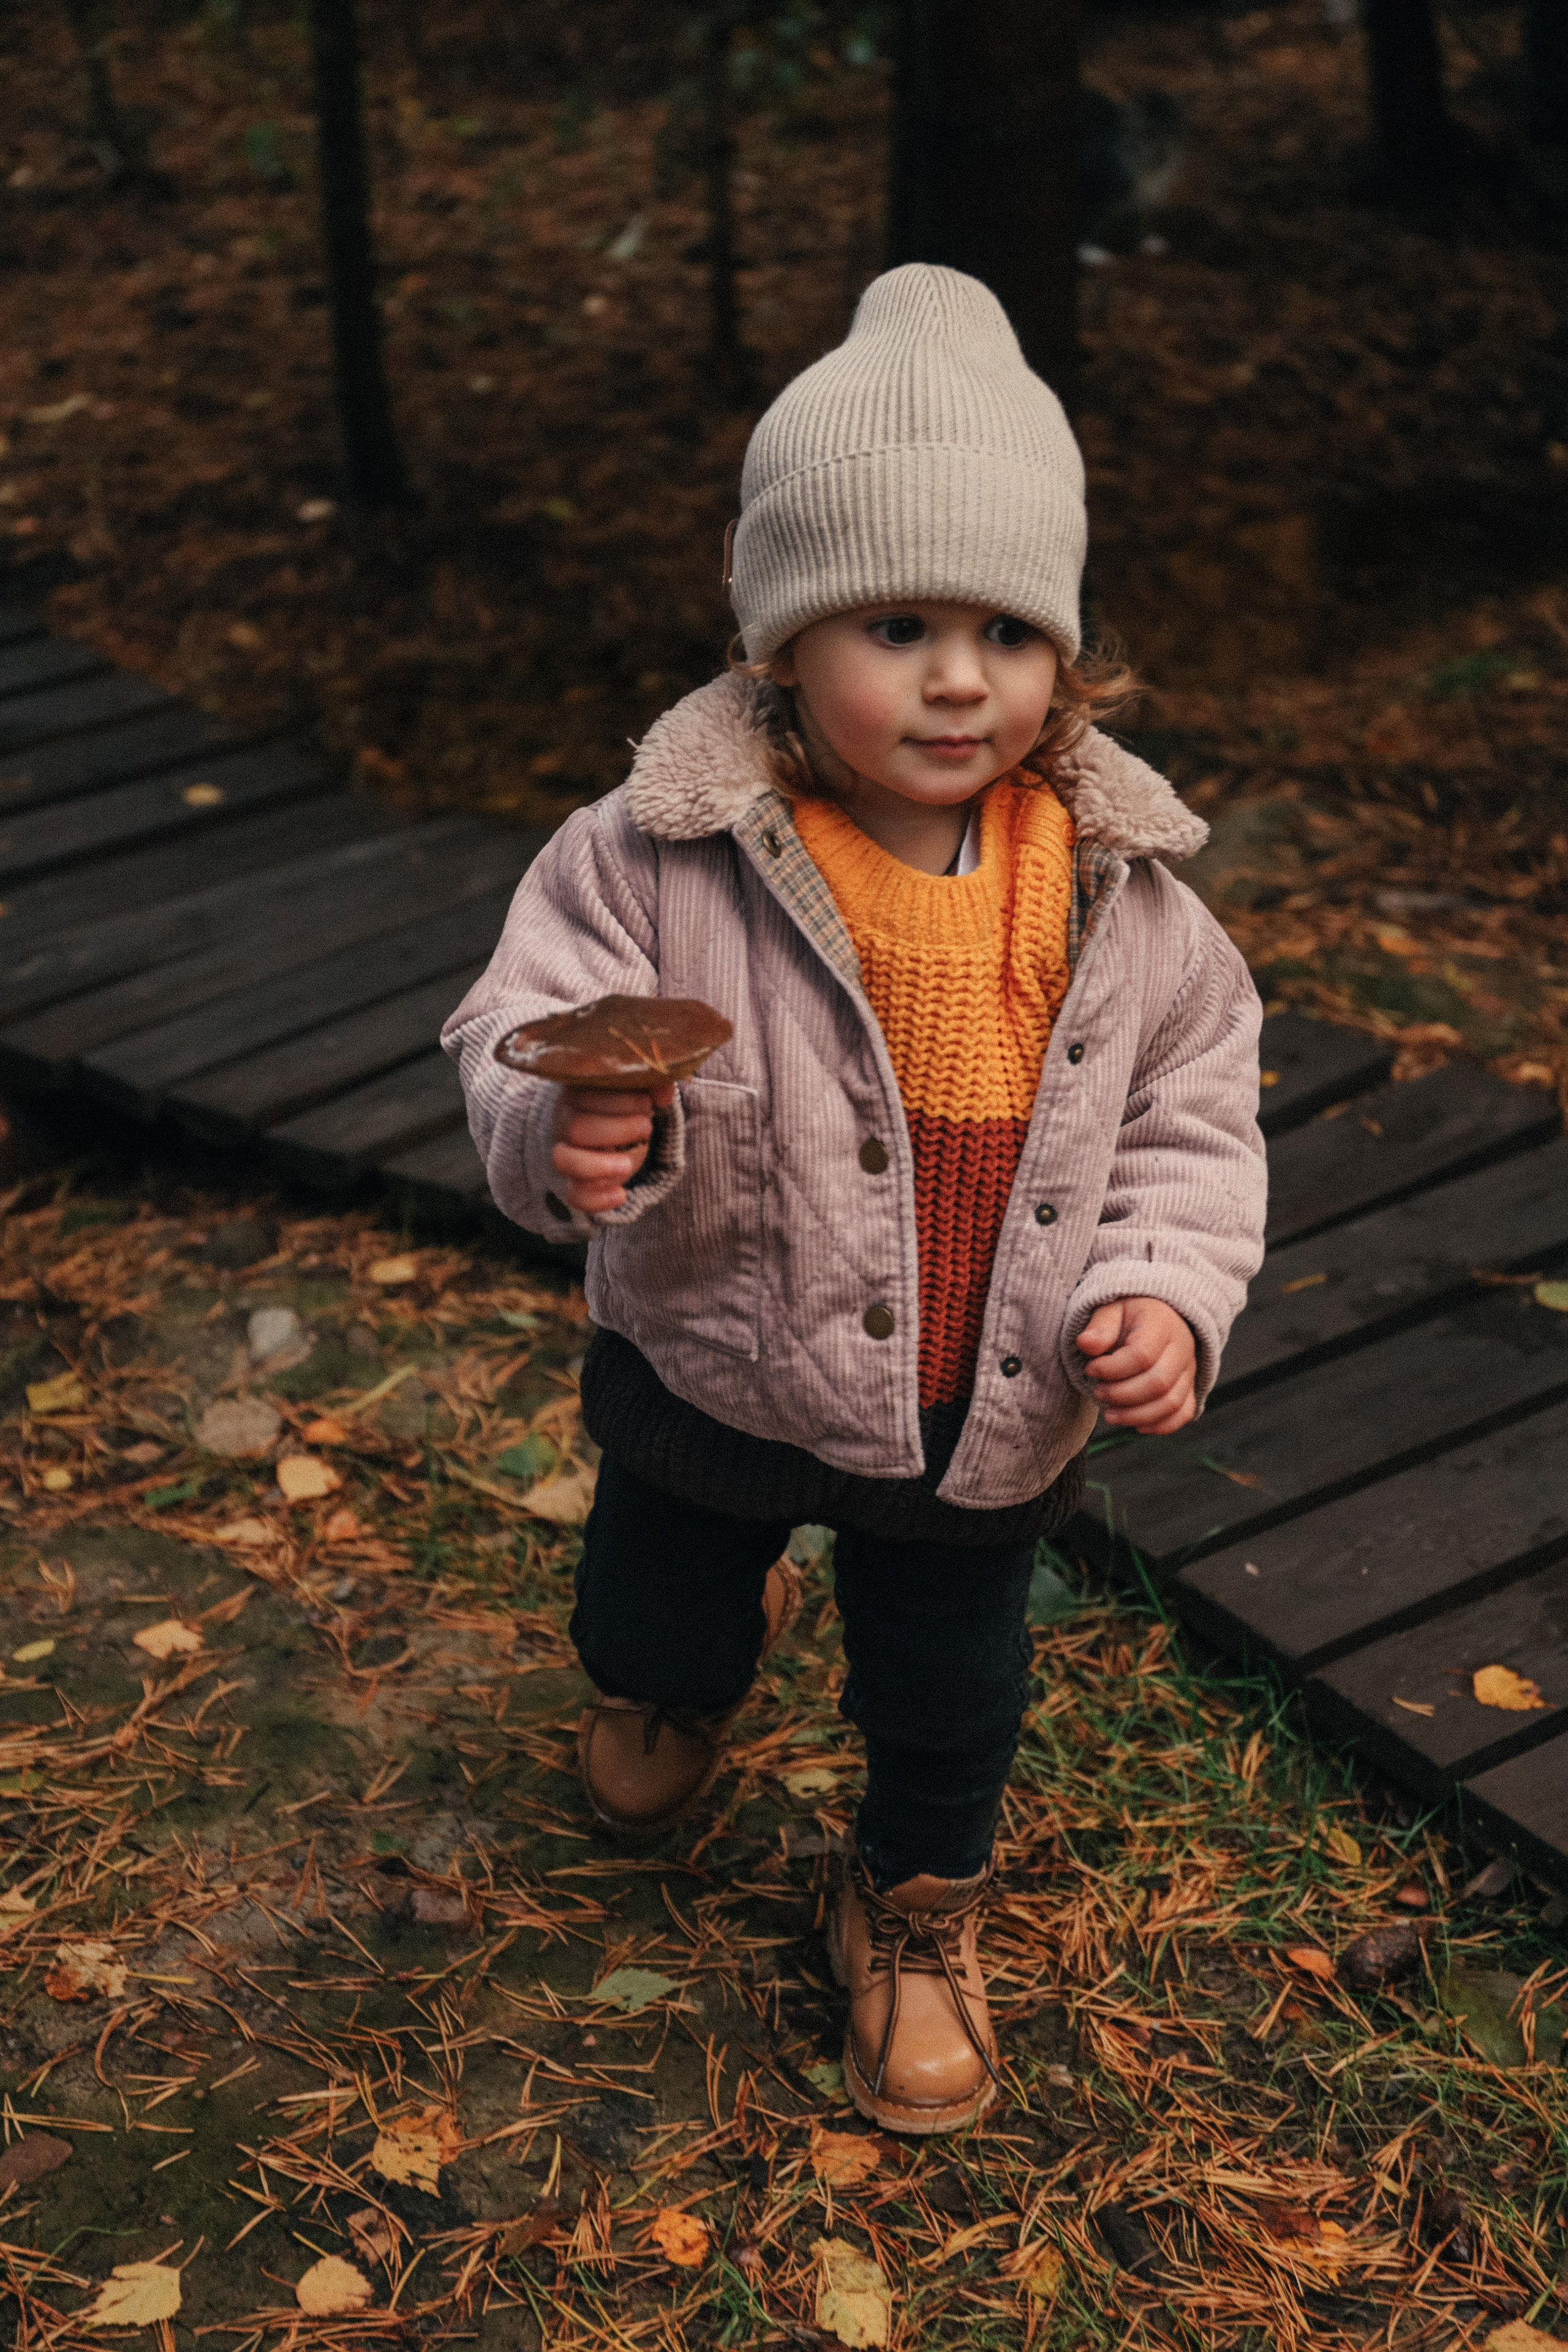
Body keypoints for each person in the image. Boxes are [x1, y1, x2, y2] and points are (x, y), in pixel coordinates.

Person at [443, 264, 1267, 2137]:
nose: (960, 677)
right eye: (899, 624)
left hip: (981, 1411)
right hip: (716, 1364)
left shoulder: (1125, 899)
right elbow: (519, 1018)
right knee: (650, 1609)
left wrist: (1162, 1281)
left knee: (950, 1696)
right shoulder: (658, 853)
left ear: (1065, 658)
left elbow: (1191, 1121)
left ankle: (910, 1905)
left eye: (1009, 630)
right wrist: (565, 1126)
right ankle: (674, 1680)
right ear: (784, 637)